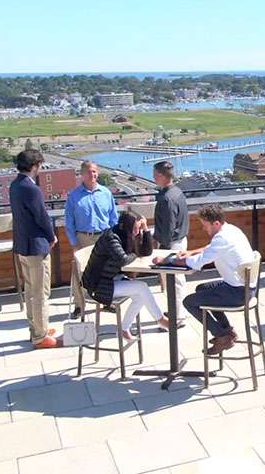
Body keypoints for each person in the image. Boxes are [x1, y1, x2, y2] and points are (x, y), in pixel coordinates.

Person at [155, 204, 254, 356]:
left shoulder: (221, 238)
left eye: (205, 225)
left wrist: (166, 261)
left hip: (237, 293)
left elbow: (196, 263)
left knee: (189, 302)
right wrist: (190, 252)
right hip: (245, 288)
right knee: (202, 289)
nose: (203, 229)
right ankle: (227, 331)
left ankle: (222, 336)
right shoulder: (231, 230)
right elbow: (210, 248)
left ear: (216, 223)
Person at [82, 211, 170, 340]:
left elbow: (146, 251)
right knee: (141, 288)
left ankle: (124, 329)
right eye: (134, 228)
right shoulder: (111, 237)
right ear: (126, 226)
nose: (136, 232)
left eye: (138, 228)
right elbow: (123, 259)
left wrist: (145, 230)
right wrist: (135, 253)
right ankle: (161, 320)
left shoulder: (126, 235)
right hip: (98, 286)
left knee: (141, 294)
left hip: (111, 280)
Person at [9, 149, 59, 349]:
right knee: (40, 292)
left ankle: (38, 327)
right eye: (39, 165)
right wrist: (51, 236)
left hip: (22, 245)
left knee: (30, 290)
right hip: (36, 246)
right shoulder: (32, 189)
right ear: (34, 165)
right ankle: (40, 336)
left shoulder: (15, 185)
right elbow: (41, 216)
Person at [64, 160, 120, 319]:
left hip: (103, 237)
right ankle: (79, 306)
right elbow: (69, 221)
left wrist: (115, 238)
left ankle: (106, 302)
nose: (92, 174)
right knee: (80, 273)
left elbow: (113, 218)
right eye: (89, 172)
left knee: (106, 272)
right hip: (83, 238)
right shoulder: (74, 196)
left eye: (95, 171)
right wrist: (73, 242)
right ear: (82, 174)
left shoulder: (106, 193)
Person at [153, 160, 189, 325]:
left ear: (160, 175)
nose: (153, 177)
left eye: (154, 174)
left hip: (171, 245)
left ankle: (178, 317)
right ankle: (177, 311)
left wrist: (162, 249)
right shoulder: (177, 192)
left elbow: (168, 227)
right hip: (181, 240)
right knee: (176, 281)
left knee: (173, 283)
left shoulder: (167, 199)